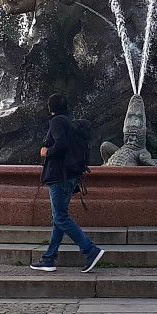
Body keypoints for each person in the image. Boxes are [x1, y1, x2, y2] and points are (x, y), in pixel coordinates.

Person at [29, 93, 107, 272]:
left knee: (60, 217)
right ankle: (49, 258)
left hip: (59, 176)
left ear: (51, 108)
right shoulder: (72, 122)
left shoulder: (56, 121)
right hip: (71, 175)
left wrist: (46, 152)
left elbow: (61, 144)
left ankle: (90, 250)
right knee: (58, 217)